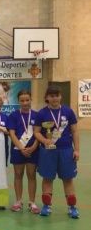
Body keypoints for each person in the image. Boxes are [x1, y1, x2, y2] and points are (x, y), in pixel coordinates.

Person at [33, 85, 80, 218]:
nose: (54, 98)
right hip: (47, 151)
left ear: (60, 96)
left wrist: (76, 150)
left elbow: (75, 132)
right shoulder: (41, 113)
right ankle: (47, 206)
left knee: (68, 179)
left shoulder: (68, 112)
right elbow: (36, 132)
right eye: (51, 96)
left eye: (57, 95)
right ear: (47, 97)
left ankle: (72, 207)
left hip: (66, 149)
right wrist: (45, 140)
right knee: (47, 178)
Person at [8, 90, 40, 213]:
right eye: (22, 100)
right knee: (18, 174)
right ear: (18, 101)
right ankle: (18, 200)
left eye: (27, 100)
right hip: (18, 149)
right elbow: (12, 133)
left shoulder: (37, 115)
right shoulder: (14, 115)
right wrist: (22, 148)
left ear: (31, 99)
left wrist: (33, 147)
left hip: (33, 150)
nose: (25, 103)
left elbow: (38, 133)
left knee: (31, 175)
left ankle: (32, 201)